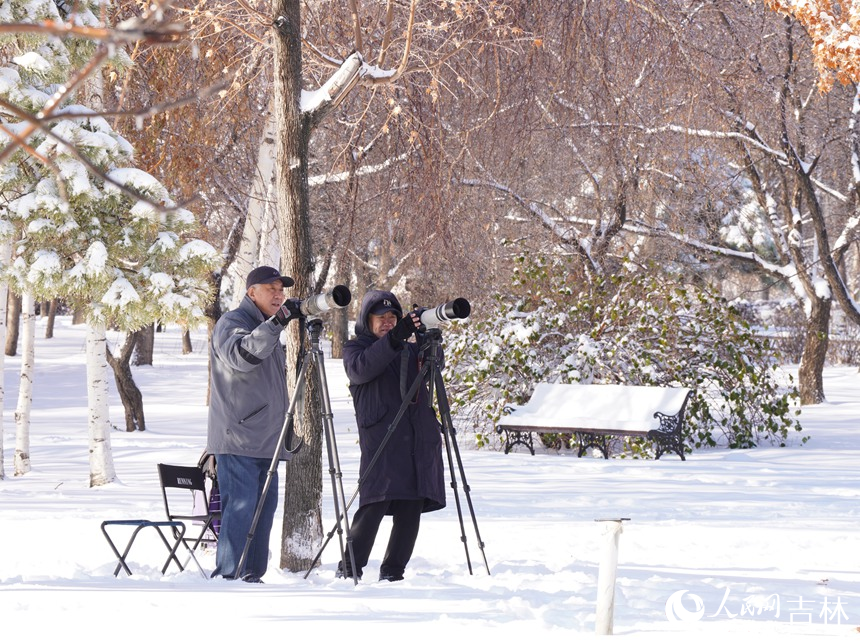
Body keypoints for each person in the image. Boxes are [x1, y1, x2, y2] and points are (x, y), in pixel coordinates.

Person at [340, 289, 446, 582]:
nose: (388, 322)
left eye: (393, 317)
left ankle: (393, 571)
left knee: (412, 503)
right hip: (382, 439)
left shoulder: (408, 350)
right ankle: (350, 568)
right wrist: (396, 337)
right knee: (375, 501)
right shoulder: (355, 349)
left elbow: (434, 369)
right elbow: (361, 370)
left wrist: (428, 339)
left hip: (416, 437)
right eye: (381, 317)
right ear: (367, 320)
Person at [206, 265, 302, 583]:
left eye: (281, 289)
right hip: (238, 439)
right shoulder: (232, 323)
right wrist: (276, 324)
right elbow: (242, 356)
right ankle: (229, 576)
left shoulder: (267, 327)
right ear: (251, 292)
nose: (279, 294)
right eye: (271, 288)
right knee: (241, 511)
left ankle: (252, 577)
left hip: (267, 440)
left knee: (264, 513)